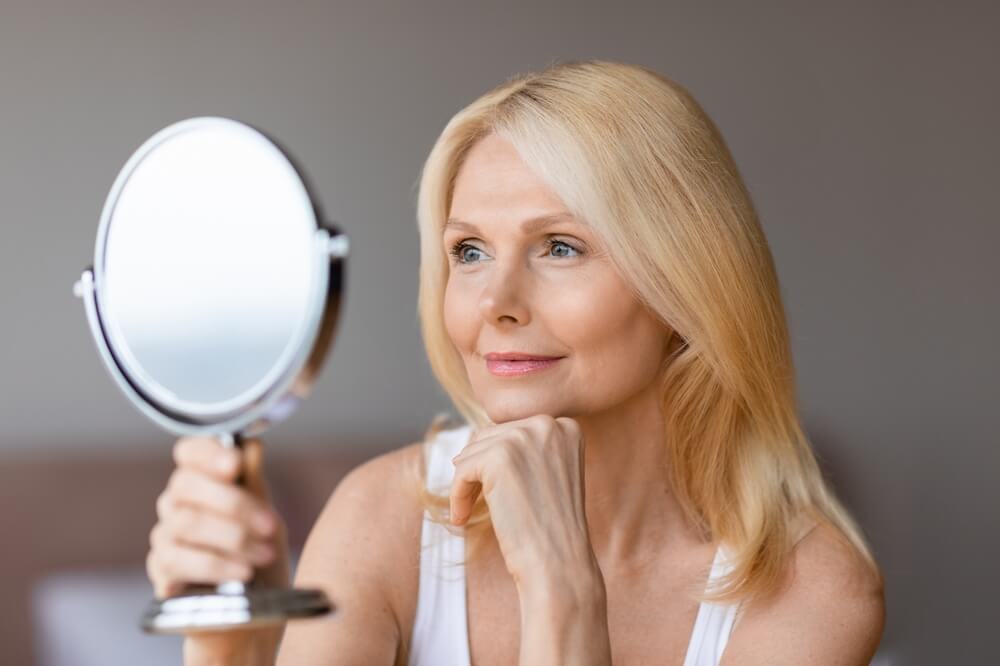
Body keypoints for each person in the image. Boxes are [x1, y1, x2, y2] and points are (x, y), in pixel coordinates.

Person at [146, 60, 885, 665]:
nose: (495, 300)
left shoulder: (810, 591)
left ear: (685, 283)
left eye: (560, 247)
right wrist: (229, 651)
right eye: (469, 251)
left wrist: (563, 594)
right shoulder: (385, 519)